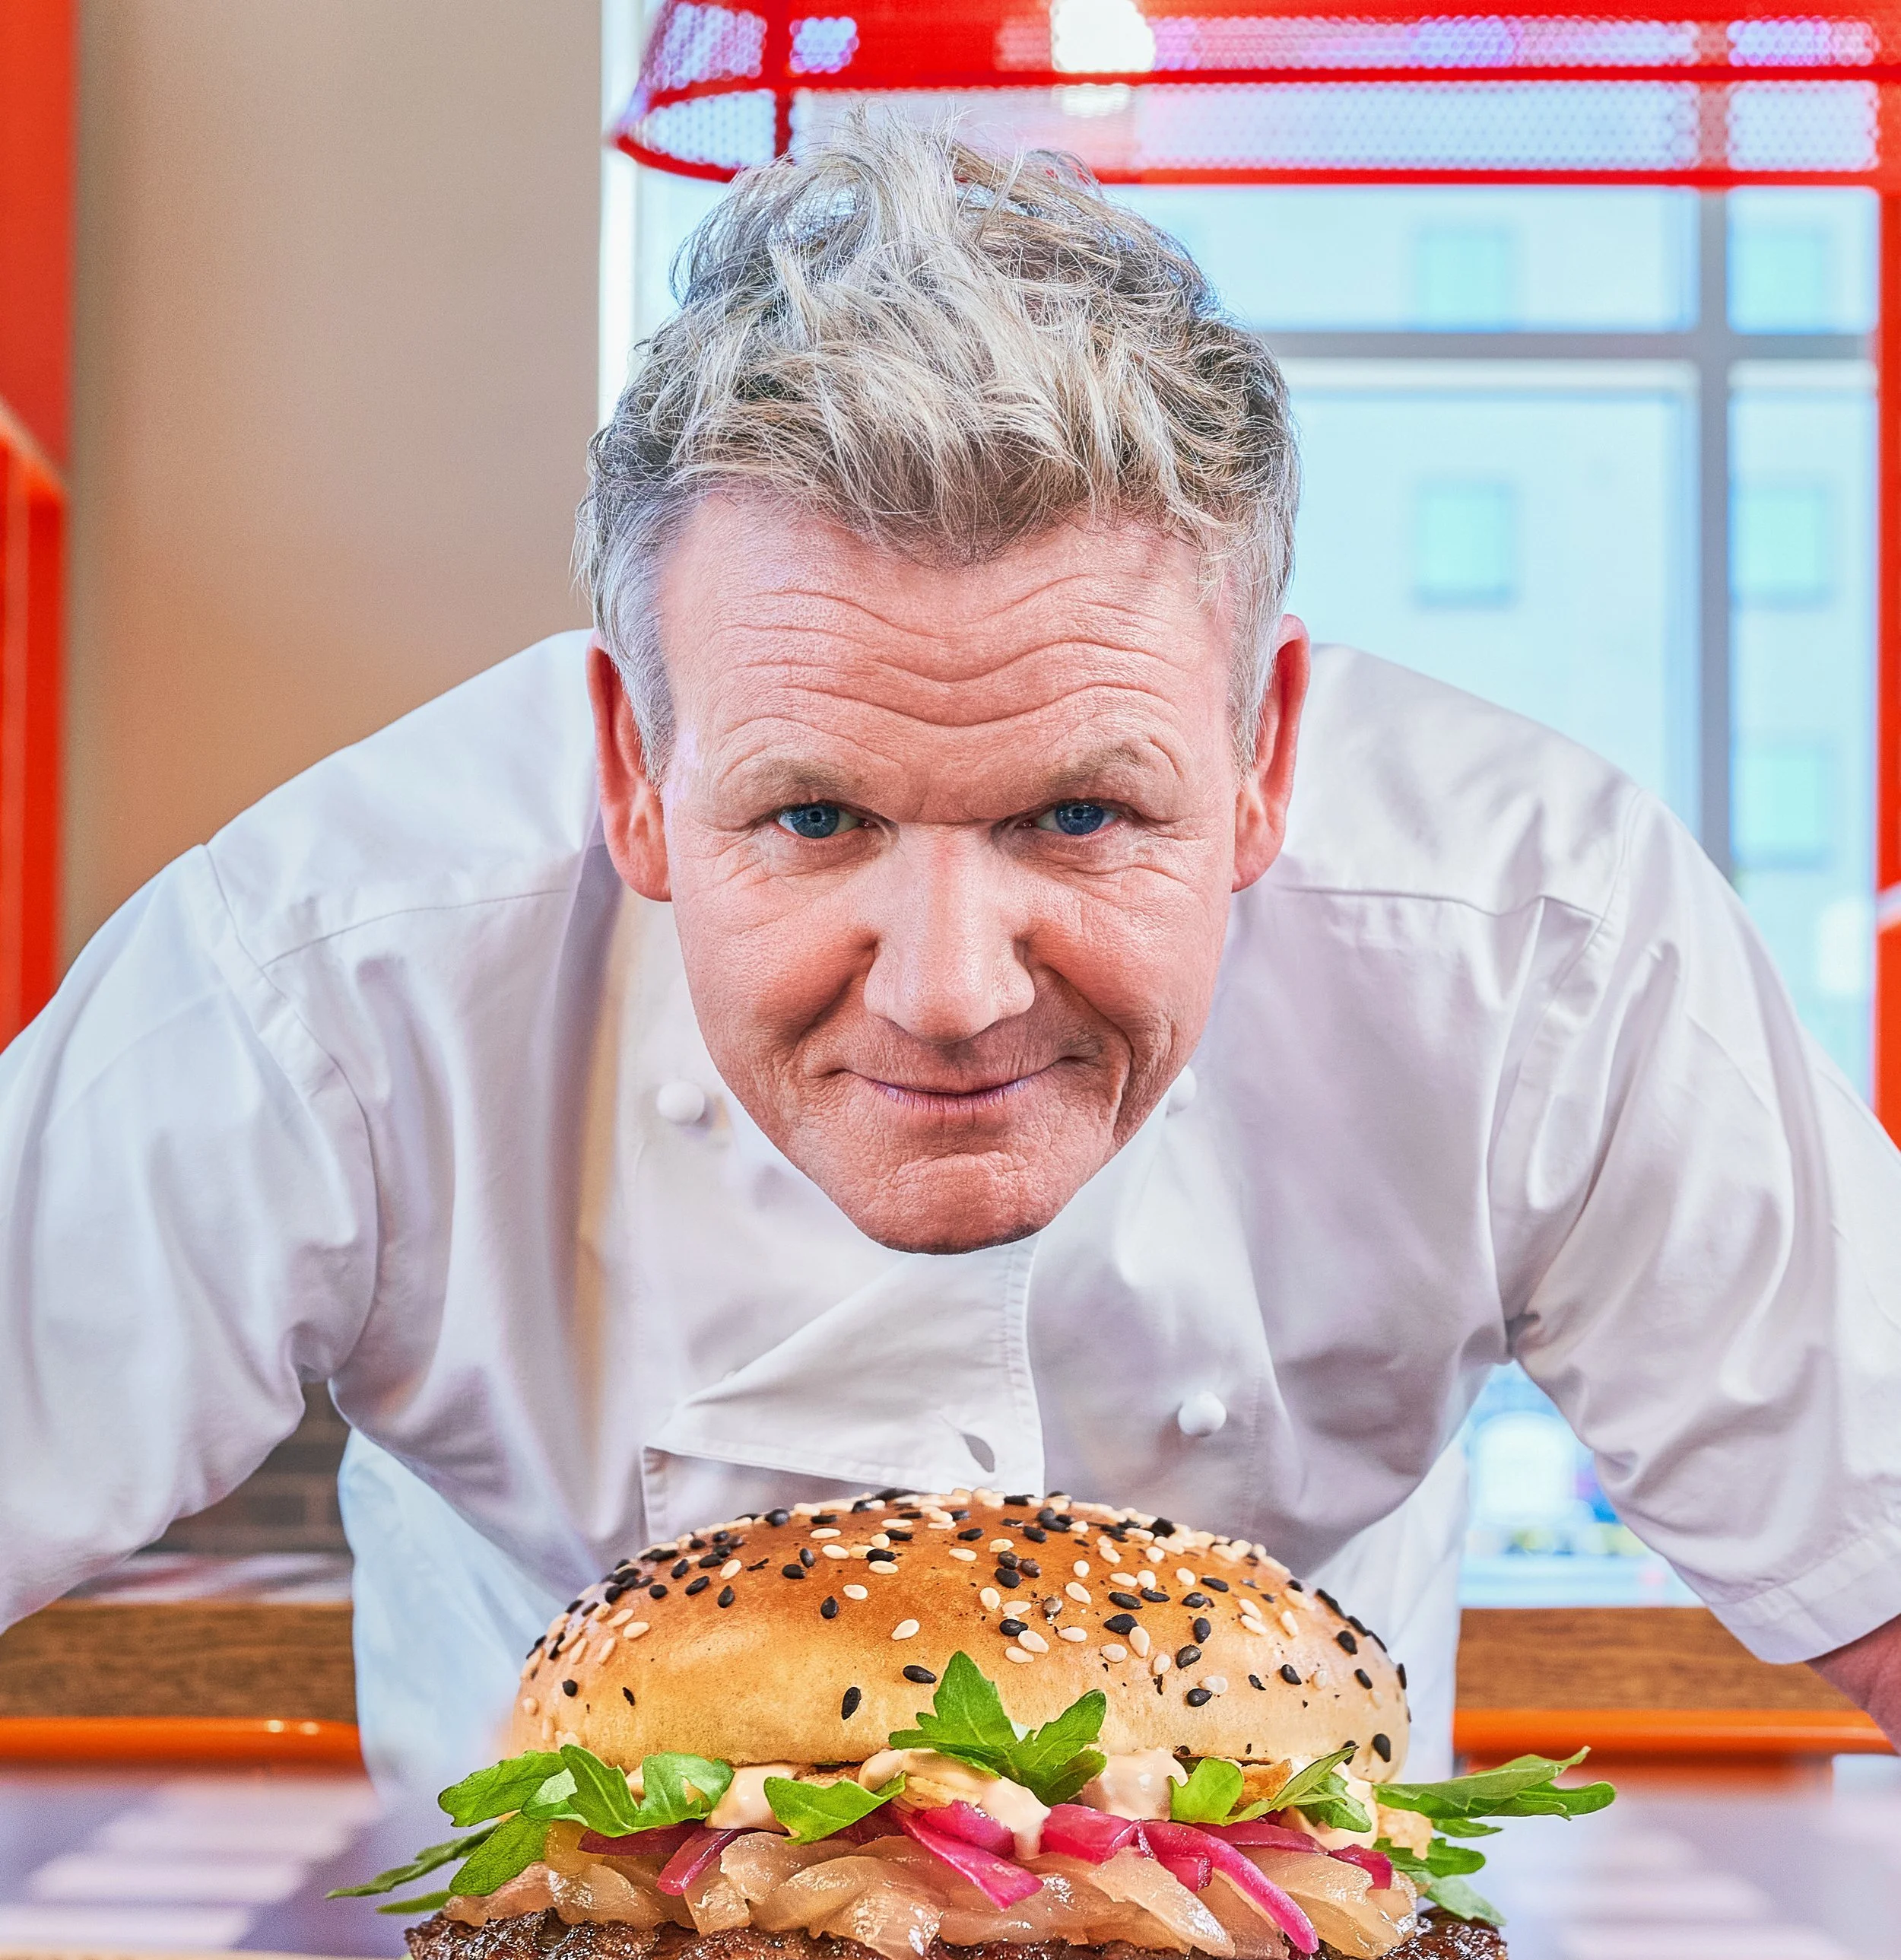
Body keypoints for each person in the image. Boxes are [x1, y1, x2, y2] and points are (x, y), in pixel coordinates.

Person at [5, 120, 1901, 1792]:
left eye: (1076, 816)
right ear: (633, 774)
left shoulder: (1544, 945)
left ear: (1262, 760)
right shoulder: (325, 969)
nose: (946, 989)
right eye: (815, 818)